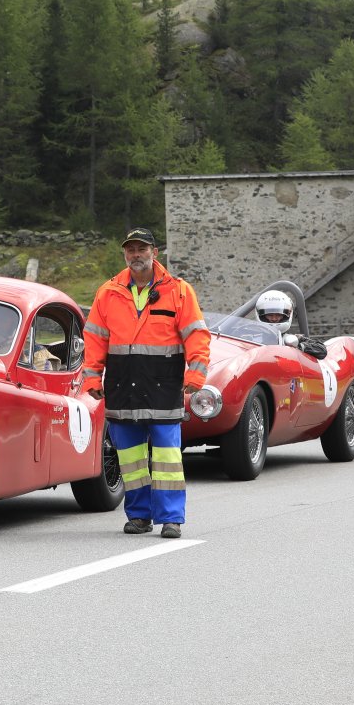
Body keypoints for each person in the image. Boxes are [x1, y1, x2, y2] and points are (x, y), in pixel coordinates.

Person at [82, 227, 210, 538]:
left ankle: (171, 519)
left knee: (167, 458)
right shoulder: (107, 292)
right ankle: (139, 516)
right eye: (131, 250)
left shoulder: (179, 291)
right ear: (125, 254)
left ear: (155, 252)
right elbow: (95, 338)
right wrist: (92, 377)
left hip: (163, 386)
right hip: (122, 386)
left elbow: (197, 335)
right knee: (131, 459)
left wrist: (196, 375)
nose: (136, 255)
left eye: (142, 249)